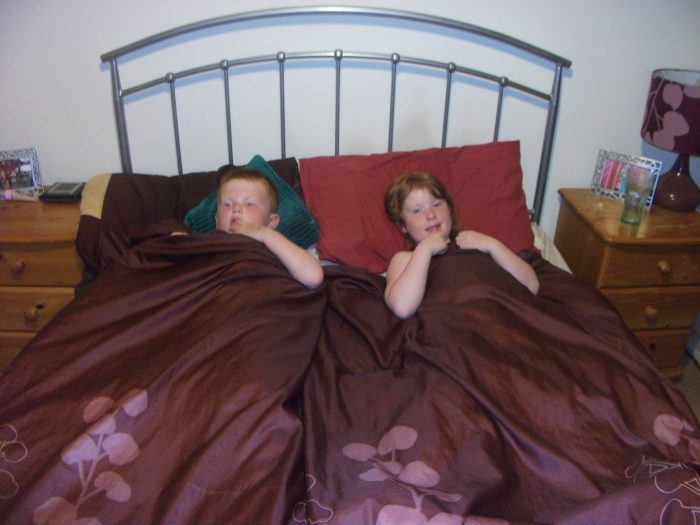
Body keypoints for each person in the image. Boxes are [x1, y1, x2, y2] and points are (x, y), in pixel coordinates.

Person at [383, 171, 539, 318]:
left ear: (450, 210)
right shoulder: (405, 258)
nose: (430, 215)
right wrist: (425, 249)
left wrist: (493, 245)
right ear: (402, 225)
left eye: (437, 204)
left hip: (500, 314)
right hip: (456, 323)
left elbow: (531, 285)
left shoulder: (475, 243)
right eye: (417, 210)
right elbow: (402, 307)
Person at [214, 169, 323, 289]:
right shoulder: (207, 247)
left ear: (271, 222)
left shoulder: (279, 249)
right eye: (227, 204)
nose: (236, 209)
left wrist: (263, 233)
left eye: (249, 204)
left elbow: (314, 278)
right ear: (217, 220)